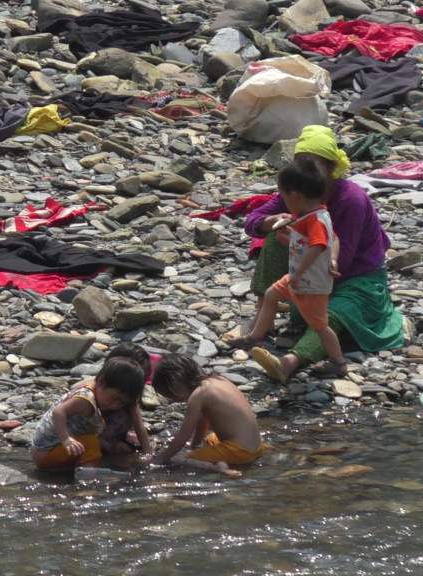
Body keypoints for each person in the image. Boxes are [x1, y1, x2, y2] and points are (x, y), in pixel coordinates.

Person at [236, 125, 404, 383]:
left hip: (355, 278)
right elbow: (253, 222)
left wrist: (300, 267)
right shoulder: (297, 189)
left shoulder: (351, 199)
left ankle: (292, 361)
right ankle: (262, 319)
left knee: (332, 316)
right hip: (310, 271)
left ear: (330, 169)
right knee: (272, 239)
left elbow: (340, 260)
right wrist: (270, 222)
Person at [241, 160, 347, 377]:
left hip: (310, 282)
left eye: (283, 196)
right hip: (298, 277)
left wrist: (298, 274)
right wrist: (331, 258)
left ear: (295, 195)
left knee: (320, 326)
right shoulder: (316, 213)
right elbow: (333, 239)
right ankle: (255, 336)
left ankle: (338, 362)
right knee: (271, 294)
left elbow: (318, 245)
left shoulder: (316, 220)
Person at [150, 354, 266, 475]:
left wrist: (161, 458)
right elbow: (203, 421)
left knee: (181, 459)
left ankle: (221, 469)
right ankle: (226, 460)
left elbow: (182, 438)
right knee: (211, 438)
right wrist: (195, 445)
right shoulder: (219, 380)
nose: (174, 400)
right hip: (257, 447)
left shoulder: (198, 395)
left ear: (176, 386)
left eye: (171, 396)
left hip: (240, 451)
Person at [30, 356, 145, 470]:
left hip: (52, 450)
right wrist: (66, 439)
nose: (115, 405)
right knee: (91, 445)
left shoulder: (97, 393)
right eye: (114, 398)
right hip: (45, 453)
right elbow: (58, 412)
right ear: (100, 382)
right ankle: (89, 479)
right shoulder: (85, 400)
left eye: (122, 403)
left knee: (93, 441)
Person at [98, 343, 155, 456]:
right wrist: (109, 445)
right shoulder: (100, 388)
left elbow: (139, 425)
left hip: (111, 433)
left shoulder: (130, 393)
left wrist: (148, 453)